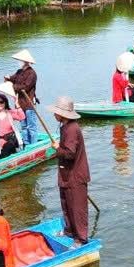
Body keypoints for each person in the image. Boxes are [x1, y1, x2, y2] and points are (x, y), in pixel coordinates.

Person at [50, 96, 91, 246]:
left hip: (75, 175)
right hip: (66, 174)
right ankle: (69, 231)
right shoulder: (65, 127)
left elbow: (70, 153)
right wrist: (57, 151)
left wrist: (57, 149)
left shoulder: (72, 129)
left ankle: (81, 238)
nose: (54, 114)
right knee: (66, 204)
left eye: (56, 112)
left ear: (62, 114)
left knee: (77, 208)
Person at [5, 50, 39, 146]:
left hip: (29, 104)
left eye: (20, 60)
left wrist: (13, 86)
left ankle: (34, 145)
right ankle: (26, 144)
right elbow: (13, 78)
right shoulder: (19, 72)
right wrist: (8, 78)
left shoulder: (32, 73)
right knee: (23, 126)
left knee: (31, 126)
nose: (19, 62)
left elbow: (26, 86)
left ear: (26, 61)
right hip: (19, 104)